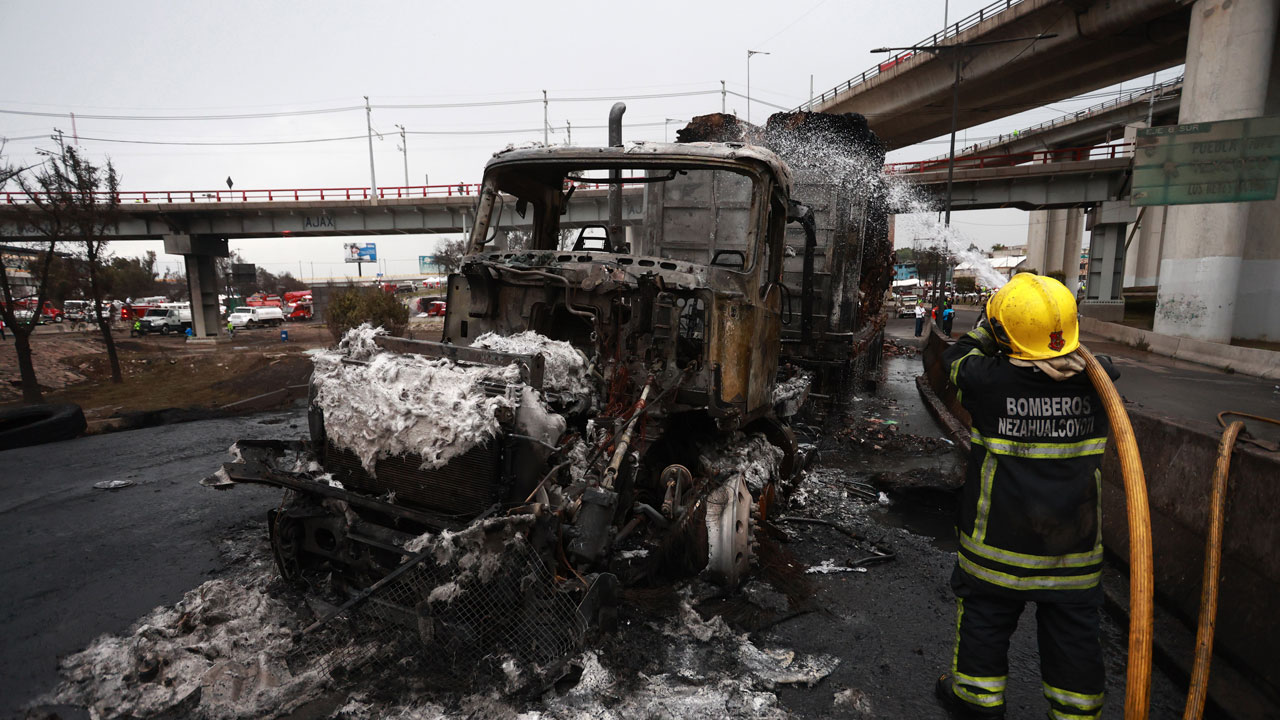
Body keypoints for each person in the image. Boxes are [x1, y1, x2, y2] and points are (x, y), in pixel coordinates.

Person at [936, 273, 1117, 720]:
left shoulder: (987, 381)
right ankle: (1075, 713)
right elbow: (1100, 364)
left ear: (1004, 334)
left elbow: (954, 358)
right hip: (1071, 552)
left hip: (998, 544)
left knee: (985, 622)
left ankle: (977, 701)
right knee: (1074, 634)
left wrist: (986, 328)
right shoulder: (1101, 385)